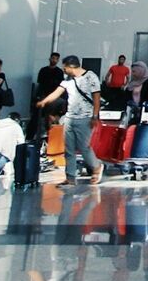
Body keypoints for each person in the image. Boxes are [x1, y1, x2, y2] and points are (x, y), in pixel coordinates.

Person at [39, 55, 101, 186]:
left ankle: (96, 167)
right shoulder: (68, 79)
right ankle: (70, 177)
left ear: (71, 66)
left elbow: (96, 98)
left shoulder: (91, 77)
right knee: (69, 149)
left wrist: (95, 116)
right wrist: (44, 101)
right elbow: (57, 92)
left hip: (85, 117)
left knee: (84, 147)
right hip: (70, 118)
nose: (63, 70)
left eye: (65, 67)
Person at [31, 52, 63, 138]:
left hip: (54, 97)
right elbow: (40, 84)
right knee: (42, 115)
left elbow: (60, 86)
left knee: (49, 115)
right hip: (44, 95)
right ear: (50, 59)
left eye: (56, 59)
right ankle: (40, 133)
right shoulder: (43, 70)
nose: (54, 60)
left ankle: (49, 133)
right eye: (53, 58)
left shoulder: (59, 72)